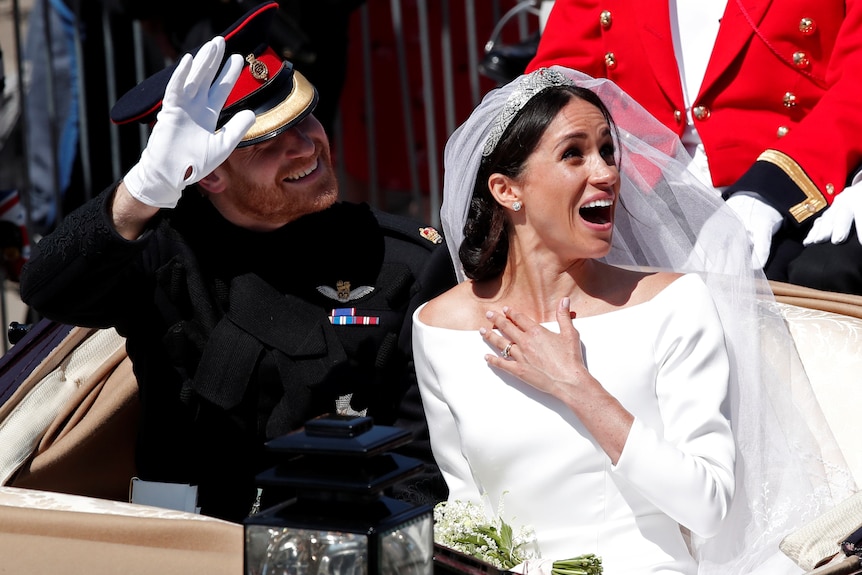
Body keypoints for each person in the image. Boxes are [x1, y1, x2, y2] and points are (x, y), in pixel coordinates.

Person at [18, 1, 454, 521]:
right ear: (207, 173)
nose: (306, 147)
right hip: (183, 535)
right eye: (267, 141)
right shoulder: (164, 250)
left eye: (305, 116)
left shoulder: (402, 258)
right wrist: (140, 192)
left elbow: (423, 458)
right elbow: (45, 290)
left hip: (331, 537)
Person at [414, 67, 854, 574]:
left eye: (607, 150)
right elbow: (466, 510)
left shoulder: (673, 304)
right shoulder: (439, 327)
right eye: (573, 153)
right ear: (506, 190)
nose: (605, 173)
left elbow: (708, 506)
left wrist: (580, 388)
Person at [526, 0, 862, 295]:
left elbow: (855, 82)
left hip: (786, 184)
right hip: (635, 187)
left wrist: (768, 192)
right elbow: (560, 80)